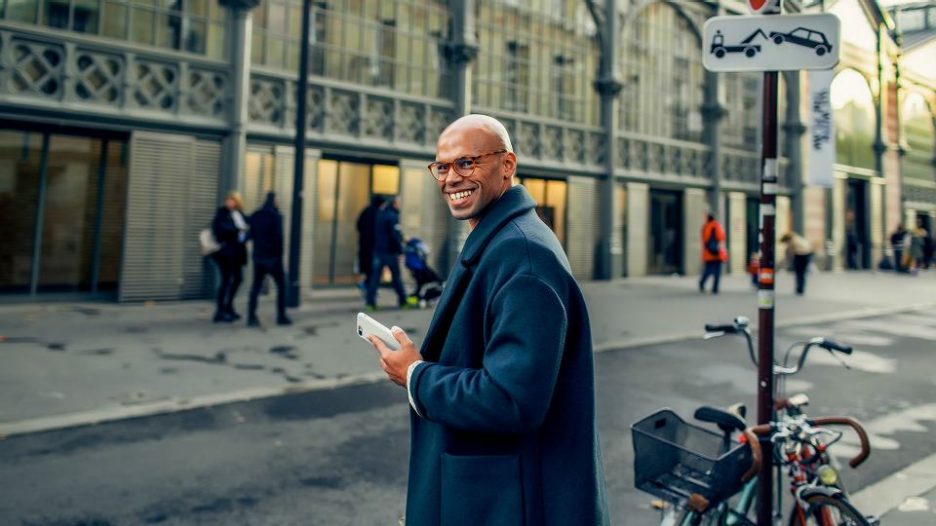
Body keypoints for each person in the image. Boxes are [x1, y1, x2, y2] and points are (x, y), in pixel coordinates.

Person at [365, 114, 610, 525]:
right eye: (441, 167)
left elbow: (511, 400)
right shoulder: (503, 238)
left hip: (514, 503)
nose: (450, 178)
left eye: (467, 163)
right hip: (499, 492)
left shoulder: (522, 255)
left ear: (507, 165)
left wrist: (416, 375)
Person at [246, 192, 291, 327]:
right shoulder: (276, 216)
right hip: (273, 258)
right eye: (278, 200)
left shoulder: (256, 215)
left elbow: (250, 234)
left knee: (255, 287)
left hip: (258, 257)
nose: (279, 202)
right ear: (274, 200)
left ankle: (251, 316)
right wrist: (279, 255)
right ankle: (281, 316)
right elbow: (279, 237)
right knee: (282, 285)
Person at [211, 191, 248, 322]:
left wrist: (245, 232)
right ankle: (219, 312)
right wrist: (237, 230)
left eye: (232, 200)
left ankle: (229, 306)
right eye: (228, 199)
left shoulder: (239, 214)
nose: (229, 202)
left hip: (237, 253)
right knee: (226, 281)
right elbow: (219, 229)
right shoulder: (221, 213)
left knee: (238, 279)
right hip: (225, 253)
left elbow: (246, 230)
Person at [364, 196, 408, 310]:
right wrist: (400, 250)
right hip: (389, 252)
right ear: (394, 203)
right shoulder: (392, 216)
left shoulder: (380, 214)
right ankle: (403, 300)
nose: (399, 205)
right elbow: (395, 235)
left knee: (375, 278)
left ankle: (370, 303)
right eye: (399, 203)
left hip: (377, 251)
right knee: (396, 277)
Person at [356, 196, 383, 294]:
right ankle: (370, 290)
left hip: (364, 245)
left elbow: (358, 225)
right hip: (373, 246)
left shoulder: (365, 211)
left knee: (367, 268)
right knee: (373, 270)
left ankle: (367, 287)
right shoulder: (378, 214)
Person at [699, 212, 728, 294]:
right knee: (717, 271)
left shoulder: (704, 227)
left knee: (708, 270)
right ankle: (715, 288)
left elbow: (704, 240)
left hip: (707, 253)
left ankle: (702, 282)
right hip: (716, 253)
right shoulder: (716, 225)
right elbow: (721, 237)